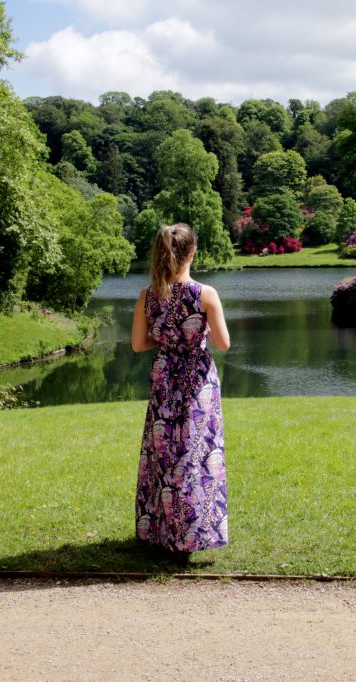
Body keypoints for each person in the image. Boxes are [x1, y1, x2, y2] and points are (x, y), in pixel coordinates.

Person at [131, 223, 231, 564]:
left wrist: (167, 340)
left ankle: (159, 532)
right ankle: (191, 534)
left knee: (163, 452)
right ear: (191, 253)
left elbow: (137, 343)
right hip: (196, 378)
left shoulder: (147, 295)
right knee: (195, 452)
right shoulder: (205, 294)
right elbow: (223, 343)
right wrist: (194, 337)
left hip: (164, 377)